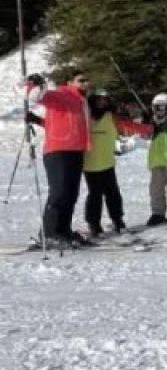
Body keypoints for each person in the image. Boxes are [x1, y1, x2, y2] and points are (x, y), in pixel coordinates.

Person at [24, 69, 91, 246]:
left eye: (87, 81)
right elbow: (36, 97)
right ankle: (49, 232)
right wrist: (37, 85)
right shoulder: (60, 94)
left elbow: (58, 123)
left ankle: (63, 230)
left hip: (76, 151)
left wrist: (38, 121)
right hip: (58, 151)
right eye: (81, 80)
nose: (85, 83)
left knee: (71, 193)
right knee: (60, 192)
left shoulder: (80, 101)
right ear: (69, 82)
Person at [123, 92, 167, 226]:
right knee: (156, 187)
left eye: (164, 107)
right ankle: (158, 213)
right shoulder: (150, 120)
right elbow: (145, 135)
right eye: (158, 107)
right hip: (157, 159)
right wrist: (151, 127)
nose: (161, 110)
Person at [81, 88, 128, 237]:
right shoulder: (84, 117)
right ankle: (93, 223)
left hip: (107, 163)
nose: (101, 103)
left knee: (113, 193)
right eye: (98, 100)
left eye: (105, 100)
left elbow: (128, 127)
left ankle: (117, 219)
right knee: (95, 195)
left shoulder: (111, 116)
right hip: (90, 165)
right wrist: (38, 120)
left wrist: (149, 126)